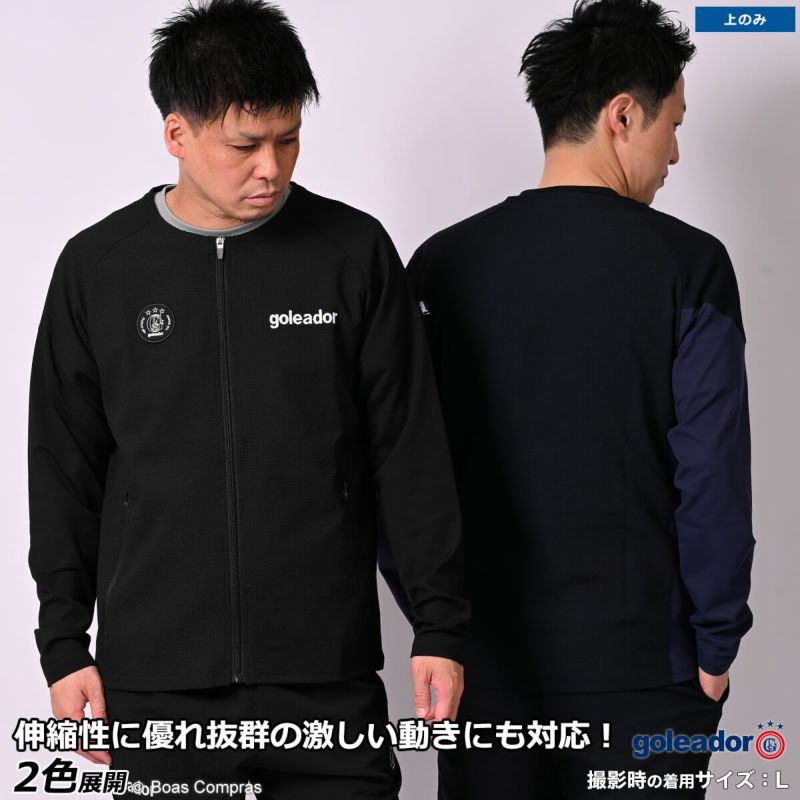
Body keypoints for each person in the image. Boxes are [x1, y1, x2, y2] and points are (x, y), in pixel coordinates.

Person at [27, 1, 468, 797]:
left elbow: (408, 450)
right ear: (177, 133)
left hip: (325, 680)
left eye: (288, 139)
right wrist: (63, 644)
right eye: (245, 145)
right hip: (157, 688)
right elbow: (64, 469)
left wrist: (440, 625)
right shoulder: (100, 268)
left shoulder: (352, 253)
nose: (272, 167)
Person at [396, 1, 755, 797]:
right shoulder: (688, 266)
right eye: (672, 124)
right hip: (646, 674)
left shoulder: (441, 266)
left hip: (486, 672)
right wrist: (716, 647)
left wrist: (439, 626)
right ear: (623, 116)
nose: (676, 151)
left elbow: (398, 470)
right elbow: (713, 475)